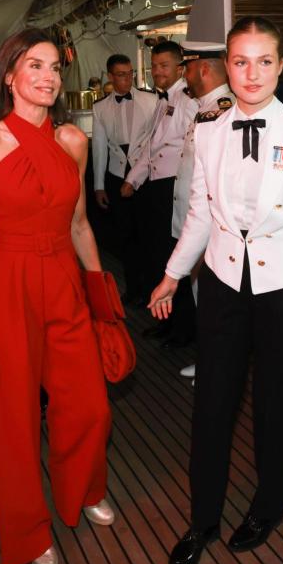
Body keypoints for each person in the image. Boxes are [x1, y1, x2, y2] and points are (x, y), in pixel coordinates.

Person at [150, 16, 283, 564]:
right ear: (226, 64)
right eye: (240, 61)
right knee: (211, 404)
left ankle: (268, 506)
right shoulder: (210, 128)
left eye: (264, 61)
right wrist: (173, 273)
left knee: (277, 405)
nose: (251, 73)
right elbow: (200, 212)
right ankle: (203, 518)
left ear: (280, 66)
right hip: (222, 283)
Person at [0, 28, 113, 564]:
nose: (48, 77)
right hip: (10, 284)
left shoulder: (73, 141)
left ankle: (82, 489)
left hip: (65, 279)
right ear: (11, 77)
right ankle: (26, 531)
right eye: (35, 66)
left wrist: (104, 303)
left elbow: (80, 225)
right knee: (13, 419)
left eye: (54, 67)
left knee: (88, 403)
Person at [123, 40, 197, 344]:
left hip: (174, 188)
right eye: (153, 66)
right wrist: (132, 179)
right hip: (155, 186)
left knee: (173, 259)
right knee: (156, 256)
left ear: (180, 67)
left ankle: (182, 329)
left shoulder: (189, 101)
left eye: (164, 65)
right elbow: (150, 148)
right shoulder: (164, 100)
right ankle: (166, 322)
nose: (157, 71)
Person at [172, 40, 234, 380]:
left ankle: (217, 367)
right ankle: (211, 360)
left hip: (210, 226)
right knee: (204, 296)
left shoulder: (222, 110)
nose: (186, 77)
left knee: (213, 300)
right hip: (196, 222)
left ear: (204, 69)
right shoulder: (206, 107)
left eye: (188, 69)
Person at [92, 53, 157, 306]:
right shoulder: (100, 107)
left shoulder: (151, 101)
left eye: (130, 73)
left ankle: (152, 289)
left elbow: (155, 142)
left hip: (146, 177)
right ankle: (133, 289)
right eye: (121, 74)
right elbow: (99, 149)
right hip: (116, 177)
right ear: (110, 76)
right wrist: (98, 186)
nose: (127, 79)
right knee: (126, 239)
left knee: (148, 236)